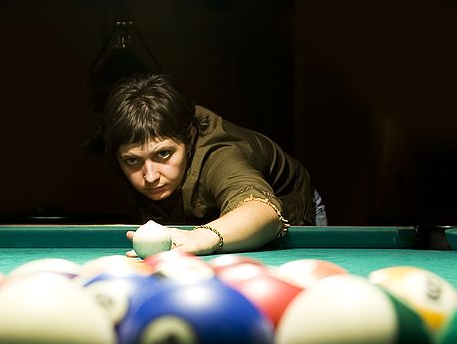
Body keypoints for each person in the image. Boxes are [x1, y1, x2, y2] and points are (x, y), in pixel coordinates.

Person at [99, 73, 326, 256]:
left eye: (164, 154)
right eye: (132, 160)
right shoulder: (123, 144)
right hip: (205, 215)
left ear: (189, 137)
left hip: (287, 209)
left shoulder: (221, 155)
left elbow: (264, 212)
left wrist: (201, 237)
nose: (149, 176)